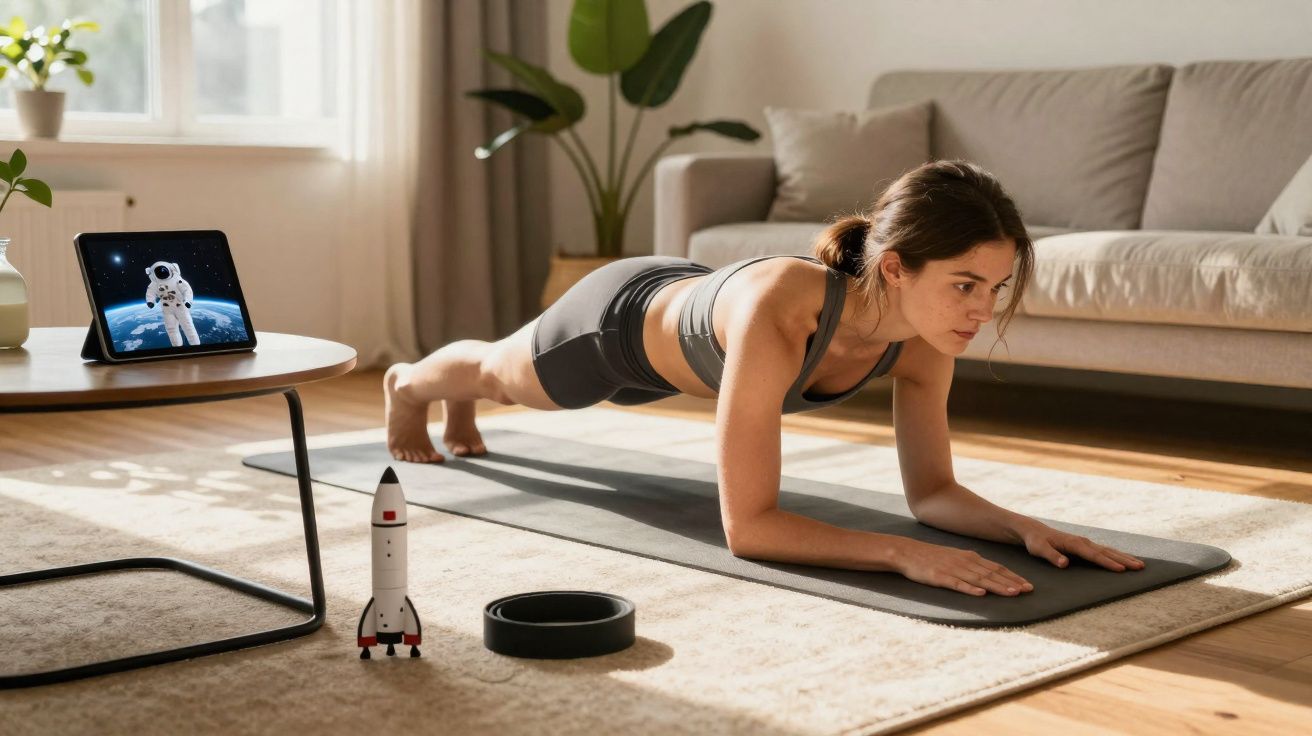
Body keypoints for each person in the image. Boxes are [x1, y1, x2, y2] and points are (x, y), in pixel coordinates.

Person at [383, 160, 1145, 598]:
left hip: (691, 330)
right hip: (615, 328)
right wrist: (897, 552)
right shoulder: (787, 312)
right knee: (498, 376)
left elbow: (932, 494)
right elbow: (749, 529)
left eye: (995, 288)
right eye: (965, 284)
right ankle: (412, 387)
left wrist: (1023, 527)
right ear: (893, 267)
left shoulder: (925, 336)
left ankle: (450, 400)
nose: (981, 310)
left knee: (495, 384)